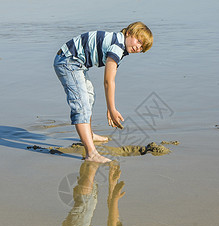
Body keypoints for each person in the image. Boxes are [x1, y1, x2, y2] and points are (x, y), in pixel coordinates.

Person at [54, 22, 153, 163]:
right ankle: (91, 154)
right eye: (139, 41)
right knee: (81, 105)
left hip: (77, 63)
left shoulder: (119, 44)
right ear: (129, 33)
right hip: (68, 62)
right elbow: (108, 81)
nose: (138, 47)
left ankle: (88, 134)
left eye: (142, 47)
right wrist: (111, 109)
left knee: (88, 96)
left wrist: (109, 107)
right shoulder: (117, 46)